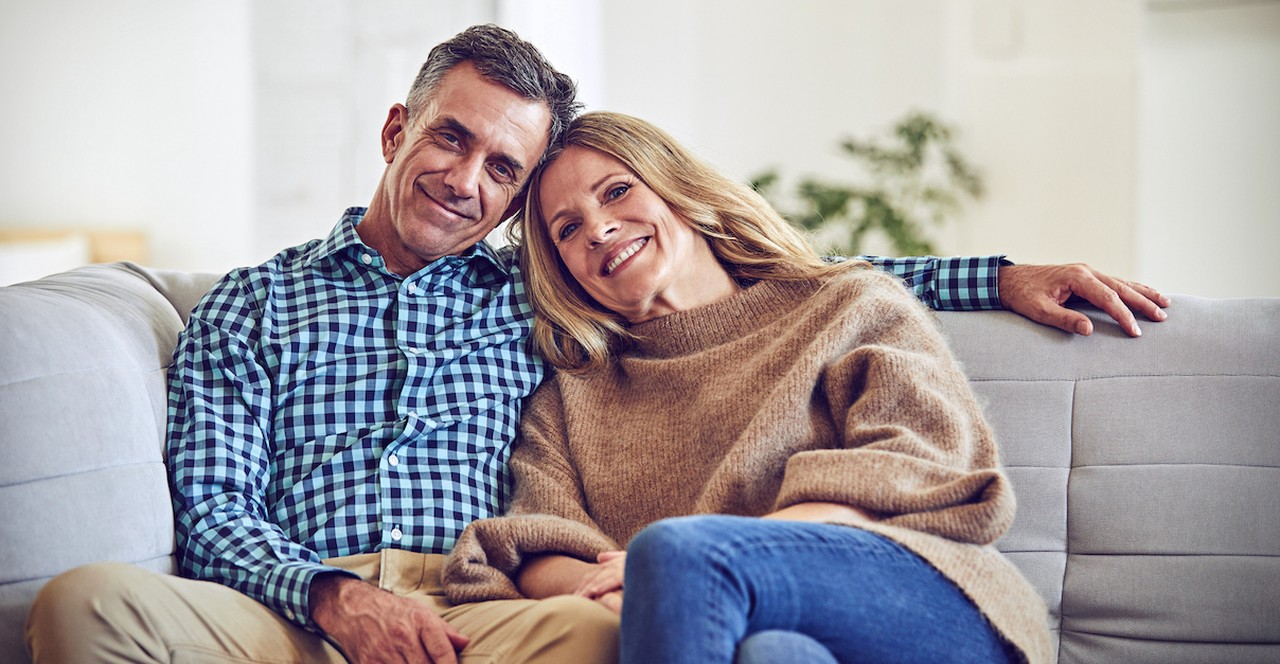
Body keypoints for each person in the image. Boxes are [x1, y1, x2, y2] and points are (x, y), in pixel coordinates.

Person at [25, 23, 1152, 664]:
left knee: (607, 631)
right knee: (79, 604)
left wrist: (994, 274)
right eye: (449, 138)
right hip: (292, 610)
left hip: (481, 616)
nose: (466, 179)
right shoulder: (249, 308)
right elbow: (215, 509)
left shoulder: (538, 285)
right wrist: (332, 599)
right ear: (394, 131)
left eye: (505, 169)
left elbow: (778, 286)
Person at [440, 111, 1053, 664]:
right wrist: (597, 585)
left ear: (678, 189)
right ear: (561, 271)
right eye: (567, 229)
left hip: (925, 601)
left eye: (618, 191)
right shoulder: (572, 396)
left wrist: (684, 563)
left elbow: (917, 462)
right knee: (773, 655)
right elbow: (538, 539)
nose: (598, 229)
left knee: (677, 555)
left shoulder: (847, 305)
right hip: (730, 630)